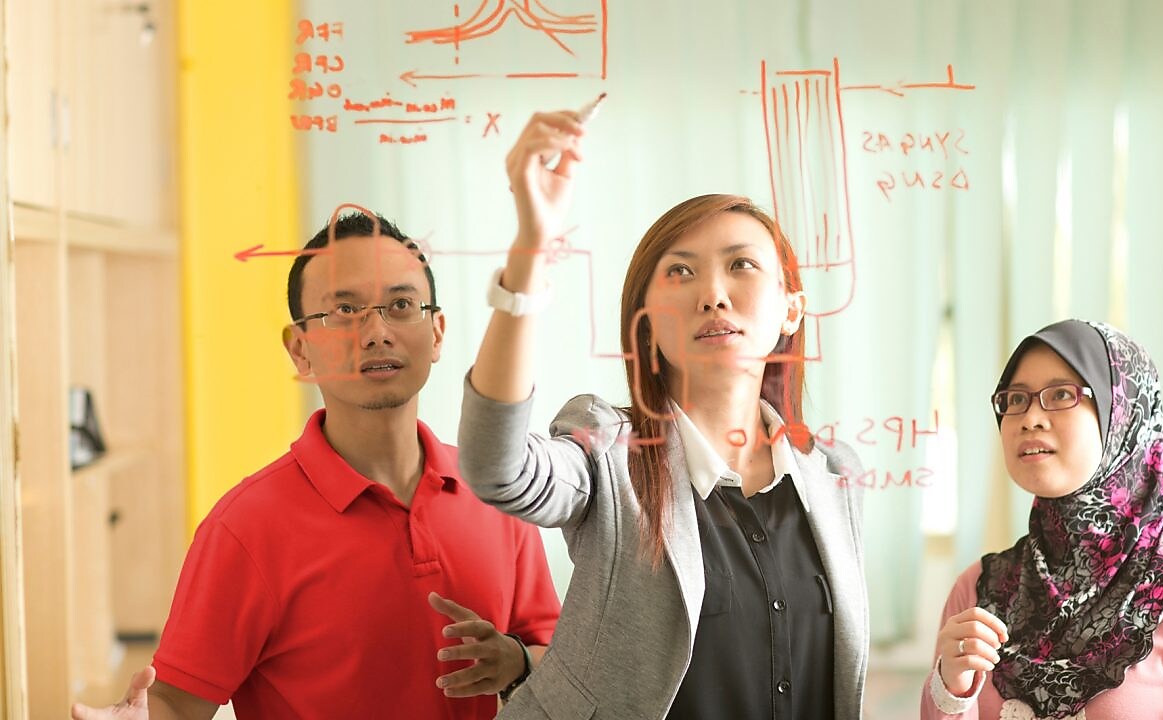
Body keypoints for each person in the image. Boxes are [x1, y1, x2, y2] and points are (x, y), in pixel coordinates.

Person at [455, 109, 869, 718]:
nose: (713, 295)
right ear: (646, 324)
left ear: (791, 309)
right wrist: (531, 250)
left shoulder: (833, 472)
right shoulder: (608, 451)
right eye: (680, 271)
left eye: (741, 264)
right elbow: (498, 469)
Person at [71, 212, 561, 720]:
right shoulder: (245, 527)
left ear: (436, 332)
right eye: (345, 311)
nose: (377, 332)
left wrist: (518, 661)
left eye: (400, 305)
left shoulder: (497, 491)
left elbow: (559, 659)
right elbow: (177, 701)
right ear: (300, 350)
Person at [922, 319, 1163, 719]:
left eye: (1061, 394)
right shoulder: (977, 593)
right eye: (1015, 399)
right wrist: (952, 689)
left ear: (1122, 416)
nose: (1030, 418)